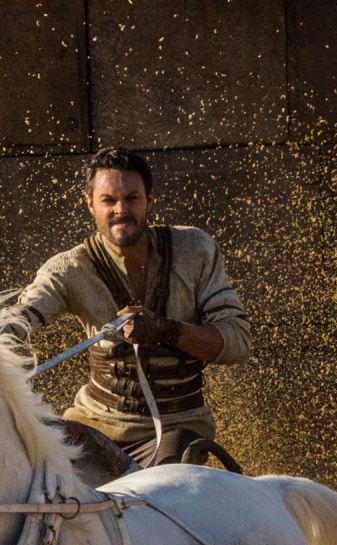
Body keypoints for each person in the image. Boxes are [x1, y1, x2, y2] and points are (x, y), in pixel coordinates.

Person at [15, 147, 251, 467]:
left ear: (149, 200)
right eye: (109, 200)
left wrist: (167, 330)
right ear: (90, 205)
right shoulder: (68, 269)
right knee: (39, 481)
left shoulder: (195, 250)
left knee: (159, 493)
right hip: (93, 425)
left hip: (178, 428)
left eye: (132, 198)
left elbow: (238, 342)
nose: (121, 210)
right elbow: (19, 319)